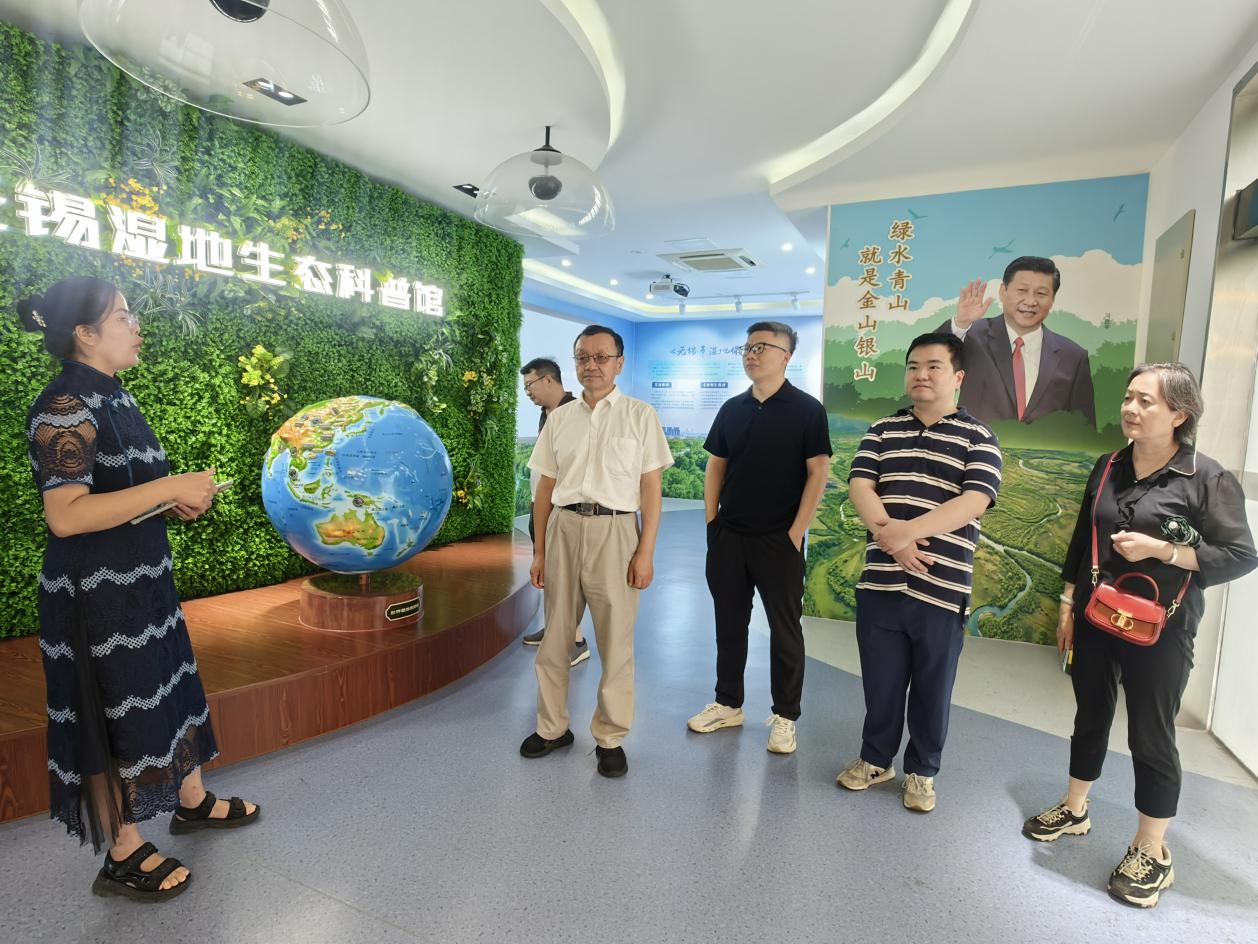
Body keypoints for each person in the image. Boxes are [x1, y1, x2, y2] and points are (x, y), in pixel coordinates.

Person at [18, 277, 259, 902]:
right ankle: (122, 852)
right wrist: (167, 488)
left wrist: (172, 502)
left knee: (170, 689)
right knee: (113, 712)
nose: (136, 326)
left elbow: (122, 494)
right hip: (94, 597)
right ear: (85, 333)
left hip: (144, 584)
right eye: (123, 316)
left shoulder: (115, 396)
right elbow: (66, 515)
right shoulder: (64, 404)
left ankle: (191, 800)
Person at [1022, 363, 1256, 908]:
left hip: (1163, 626)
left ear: (1179, 414)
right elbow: (1083, 538)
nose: (1130, 408)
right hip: (1096, 614)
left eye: (1145, 401)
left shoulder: (1207, 478)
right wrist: (1066, 604)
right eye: (1128, 397)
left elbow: (1241, 553)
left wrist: (1166, 551)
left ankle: (1152, 848)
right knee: (1090, 713)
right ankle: (1075, 807)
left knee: (1151, 732)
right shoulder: (1108, 466)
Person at [837, 332, 1002, 812]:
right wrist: (891, 536)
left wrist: (905, 534)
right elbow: (861, 485)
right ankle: (875, 759)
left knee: (933, 686)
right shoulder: (882, 430)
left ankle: (922, 771)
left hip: (942, 587)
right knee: (881, 682)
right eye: (913, 366)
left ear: (958, 376)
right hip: (880, 583)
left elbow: (975, 500)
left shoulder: (979, 436)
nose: (921, 375)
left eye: (933, 366)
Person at [519, 325, 673, 778]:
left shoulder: (640, 416)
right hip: (564, 528)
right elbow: (545, 489)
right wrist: (540, 550)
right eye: (583, 357)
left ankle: (610, 736)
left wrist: (645, 551)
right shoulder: (560, 419)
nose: (592, 365)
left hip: (617, 532)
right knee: (556, 638)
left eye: (601, 357)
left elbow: (650, 489)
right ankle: (552, 727)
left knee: (615, 642)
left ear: (619, 363)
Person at [686, 322, 831, 754]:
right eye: (747, 347)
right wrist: (712, 522)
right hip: (729, 536)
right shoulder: (732, 408)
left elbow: (818, 472)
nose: (751, 354)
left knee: (785, 631)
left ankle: (786, 716)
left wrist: (795, 532)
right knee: (729, 624)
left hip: (779, 541)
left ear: (787, 356)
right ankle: (728, 703)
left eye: (762, 347)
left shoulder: (807, 410)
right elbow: (717, 465)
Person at [941, 256, 1096, 428]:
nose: (1030, 301)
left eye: (1041, 293)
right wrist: (961, 323)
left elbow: (1083, 429)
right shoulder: (972, 334)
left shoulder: (1074, 357)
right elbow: (929, 360)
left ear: (1052, 299)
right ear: (1003, 291)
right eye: (1022, 290)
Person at [518, 356, 586, 665]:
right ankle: (555, 629)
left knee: (568, 577)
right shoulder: (547, 414)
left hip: (563, 509)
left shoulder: (574, 413)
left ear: (548, 379)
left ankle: (576, 640)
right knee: (548, 572)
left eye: (530, 385)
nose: (528, 393)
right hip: (541, 505)